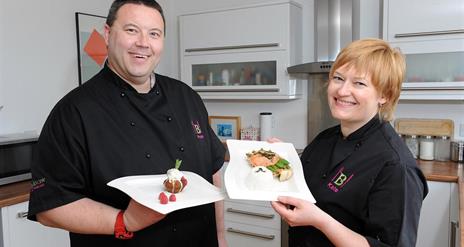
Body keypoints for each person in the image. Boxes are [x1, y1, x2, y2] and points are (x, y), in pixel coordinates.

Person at [27, 1, 227, 246]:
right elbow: (51, 206)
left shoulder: (186, 96)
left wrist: (220, 237)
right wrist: (124, 221)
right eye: (132, 30)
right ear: (108, 34)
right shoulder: (73, 112)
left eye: (154, 33)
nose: (143, 42)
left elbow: (212, 173)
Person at [271, 38, 428, 247]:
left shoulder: (396, 166)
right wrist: (283, 161)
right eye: (338, 78)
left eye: (359, 83)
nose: (342, 91)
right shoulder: (325, 139)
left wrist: (320, 221)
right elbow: (304, 188)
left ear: (384, 95)